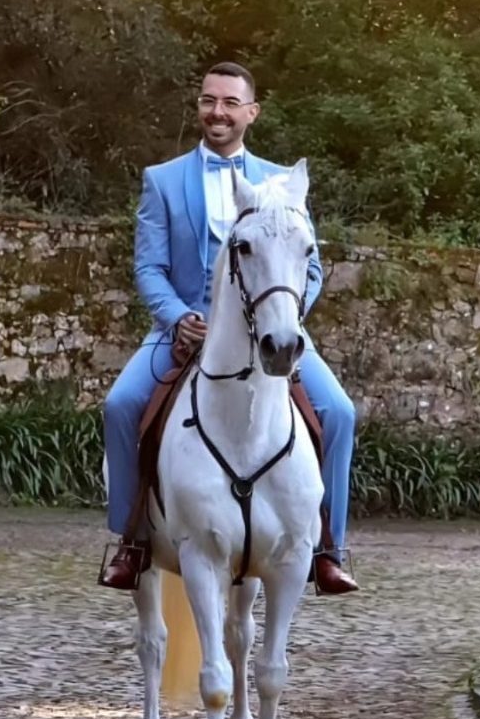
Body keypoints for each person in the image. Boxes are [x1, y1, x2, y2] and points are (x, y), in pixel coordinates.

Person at [99, 61, 359, 595]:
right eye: (208, 100)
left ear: (251, 112)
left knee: (339, 412)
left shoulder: (283, 182)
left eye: (230, 103)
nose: (217, 111)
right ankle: (132, 541)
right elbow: (148, 268)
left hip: (270, 328)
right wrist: (177, 317)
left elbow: (309, 269)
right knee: (120, 406)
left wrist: (284, 317)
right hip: (185, 328)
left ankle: (327, 548)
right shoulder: (162, 180)